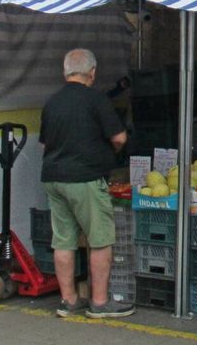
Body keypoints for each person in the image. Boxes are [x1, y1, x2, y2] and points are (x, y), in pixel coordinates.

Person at [39, 48, 131, 319]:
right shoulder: (96, 100)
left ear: (65, 72)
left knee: (63, 240)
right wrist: (107, 153)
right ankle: (99, 303)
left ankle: (68, 301)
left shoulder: (52, 102)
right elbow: (120, 138)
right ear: (92, 73)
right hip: (85, 178)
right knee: (100, 239)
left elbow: (44, 142)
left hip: (53, 178)